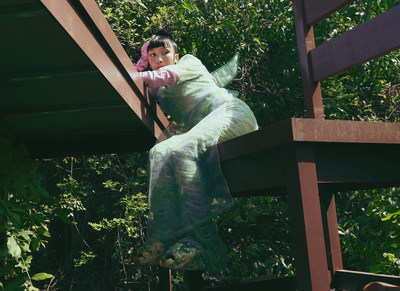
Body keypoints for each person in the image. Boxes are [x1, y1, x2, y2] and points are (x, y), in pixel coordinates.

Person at [132, 29, 258, 274]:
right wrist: (141, 61)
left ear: (176, 56)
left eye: (164, 53)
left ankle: (204, 241)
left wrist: (145, 65)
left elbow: (161, 75)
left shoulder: (189, 63)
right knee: (160, 153)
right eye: (153, 55)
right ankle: (164, 236)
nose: (158, 59)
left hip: (233, 115)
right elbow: (142, 78)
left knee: (183, 148)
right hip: (206, 128)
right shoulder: (159, 89)